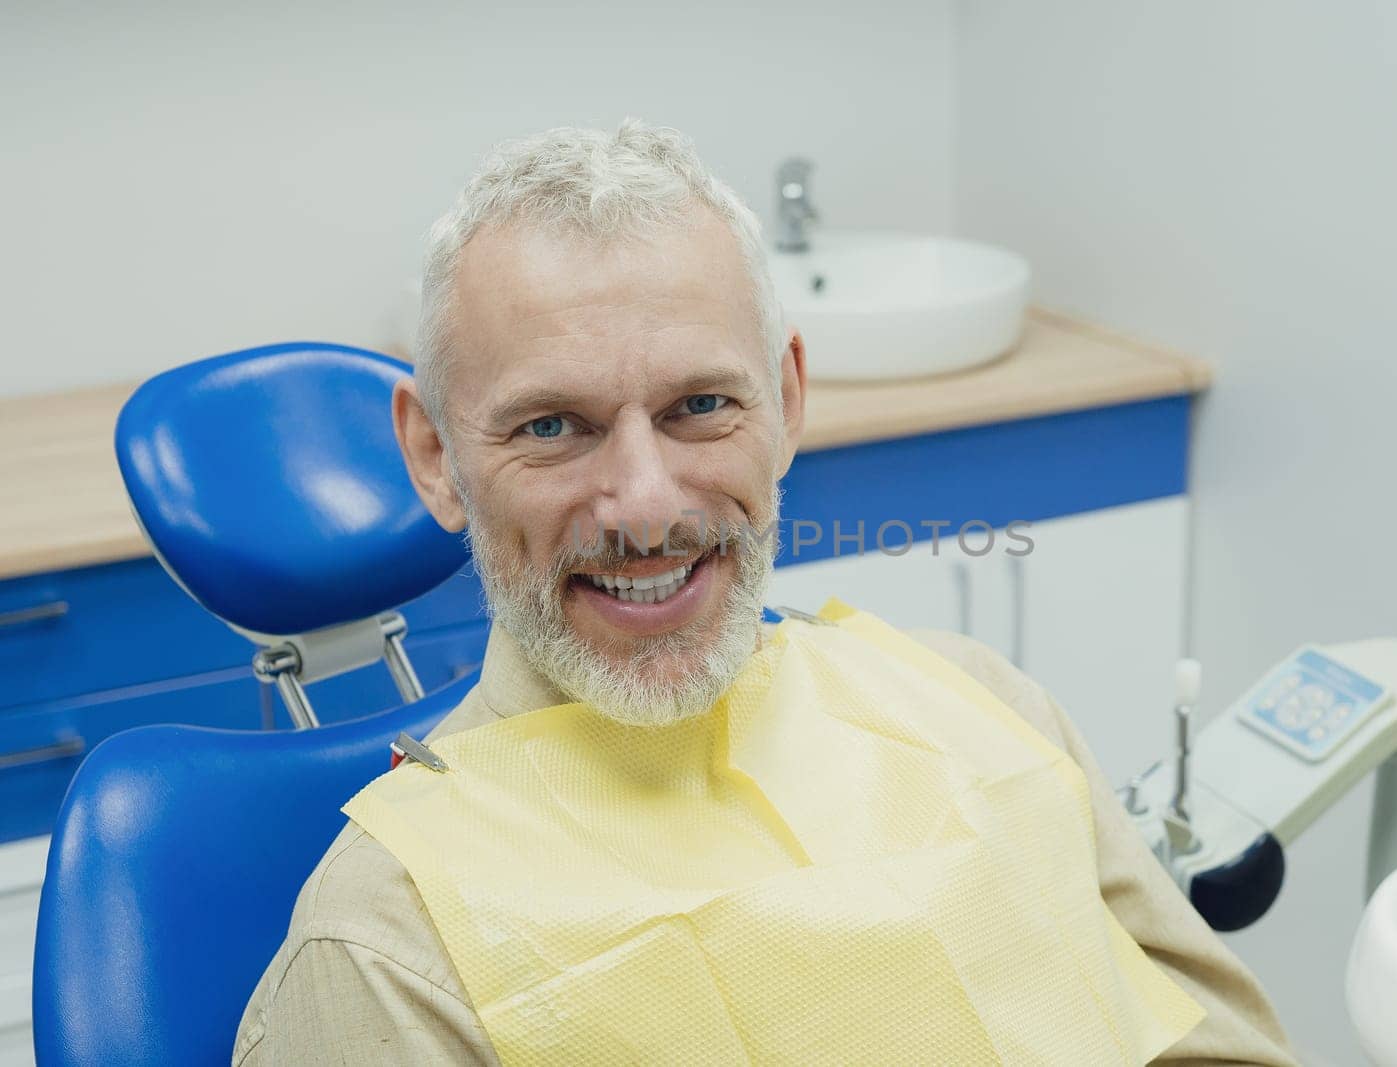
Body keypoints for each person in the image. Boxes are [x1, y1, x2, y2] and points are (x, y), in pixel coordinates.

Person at [234, 120, 1297, 1065]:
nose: (644, 507)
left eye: (700, 404)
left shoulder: (980, 707)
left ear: (785, 399)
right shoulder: (393, 942)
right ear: (434, 454)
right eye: (552, 425)